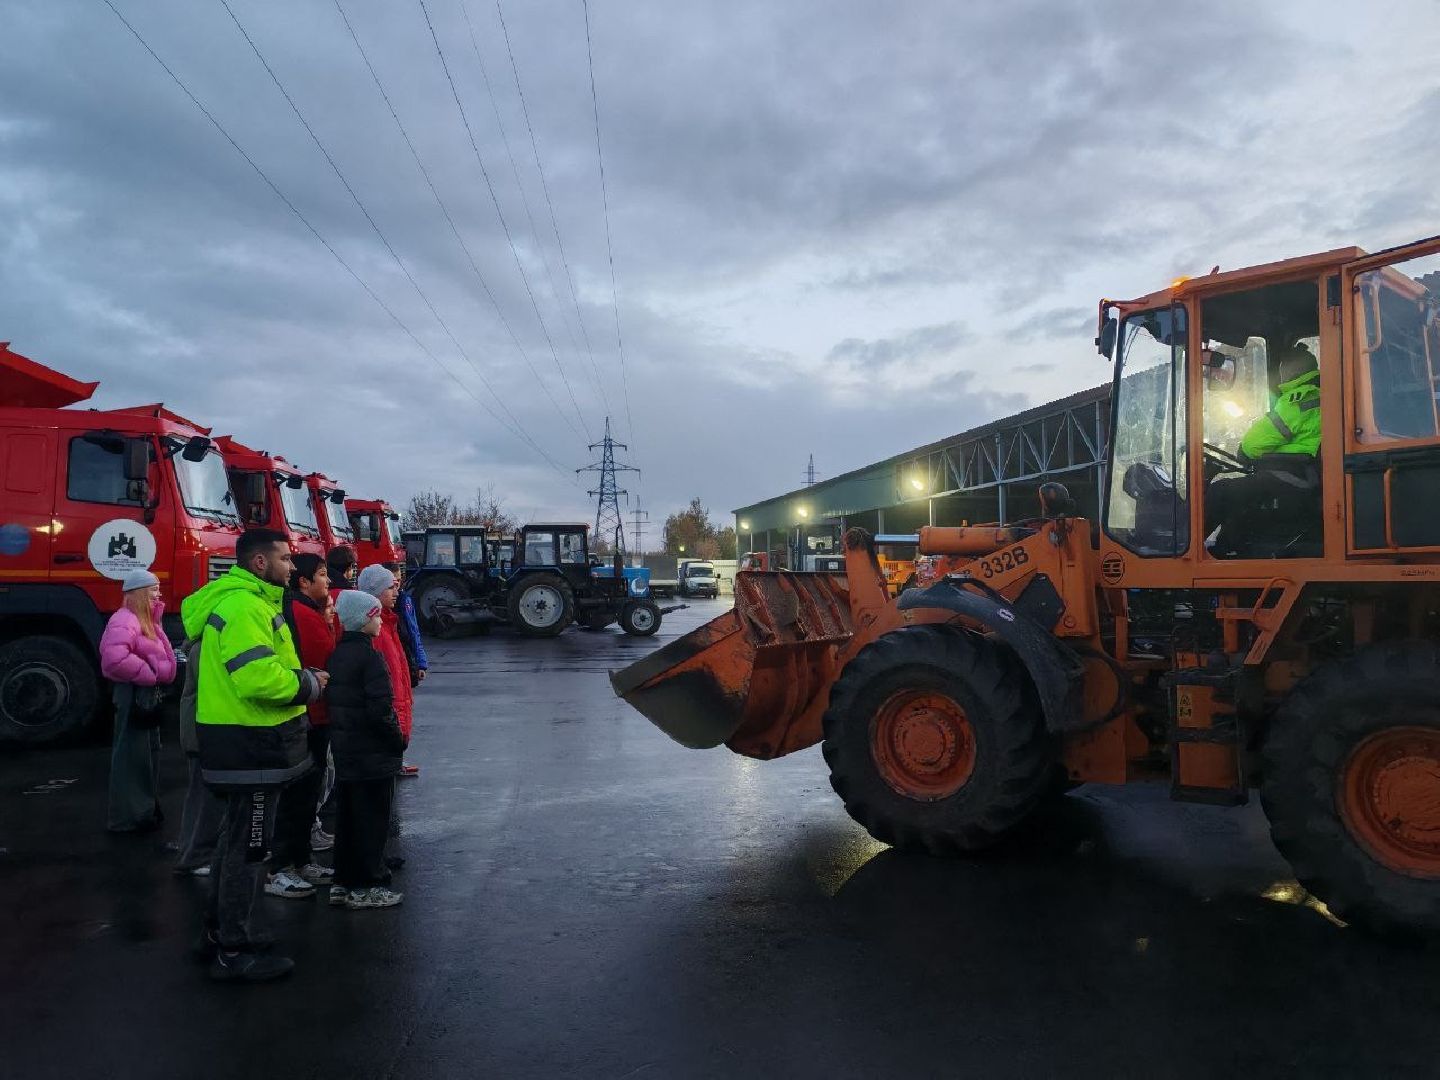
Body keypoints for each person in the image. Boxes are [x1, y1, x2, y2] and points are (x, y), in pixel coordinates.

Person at [181, 528, 328, 983]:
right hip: (252, 747)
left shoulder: (248, 602)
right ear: (260, 563)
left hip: (244, 744)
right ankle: (234, 949)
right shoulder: (245, 606)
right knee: (250, 847)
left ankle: (220, 932)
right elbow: (258, 678)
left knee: (233, 842)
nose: (292, 566)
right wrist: (310, 683)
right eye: (285, 559)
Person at [326, 590, 405, 909]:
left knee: (349, 819)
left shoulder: (337, 655)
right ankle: (369, 885)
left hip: (348, 751)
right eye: (374, 616)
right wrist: (397, 739)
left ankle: (343, 881)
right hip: (373, 754)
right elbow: (381, 710)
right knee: (373, 821)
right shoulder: (371, 657)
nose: (378, 621)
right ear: (364, 620)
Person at [266, 553, 338, 898]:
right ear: (303, 583)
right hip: (304, 715)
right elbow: (321, 659)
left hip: (316, 714)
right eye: (322, 575)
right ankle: (281, 866)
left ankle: (300, 858)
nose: (329, 581)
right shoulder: (297, 614)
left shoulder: (310, 612)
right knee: (296, 795)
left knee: (308, 792)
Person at [1207, 343, 1322, 554]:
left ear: (1290, 373)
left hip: (1293, 478)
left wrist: (1245, 453)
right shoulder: (1322, 397)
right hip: (1306, 478)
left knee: (1221, 492)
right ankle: (1227, 551)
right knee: (1241, 502)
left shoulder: (1297, 401)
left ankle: (1178, 554)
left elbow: (1251, 445)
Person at [99, 569, 177, 833]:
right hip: (134, 693)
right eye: (154, 589)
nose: (159, 594)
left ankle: (141, 810)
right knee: (133, 755)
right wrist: (150, 674)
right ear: (140, 592)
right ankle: (129, 818)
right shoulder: (127, 620)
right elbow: (114, 660)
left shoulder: (140, 619)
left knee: (145, 753)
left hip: (141, 693)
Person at [357, 564, 414, 770]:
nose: (396, 592)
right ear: (375, 591)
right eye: (391, 587)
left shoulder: (388, 623)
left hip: (395, 714)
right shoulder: (375, 630)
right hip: (389, 717)